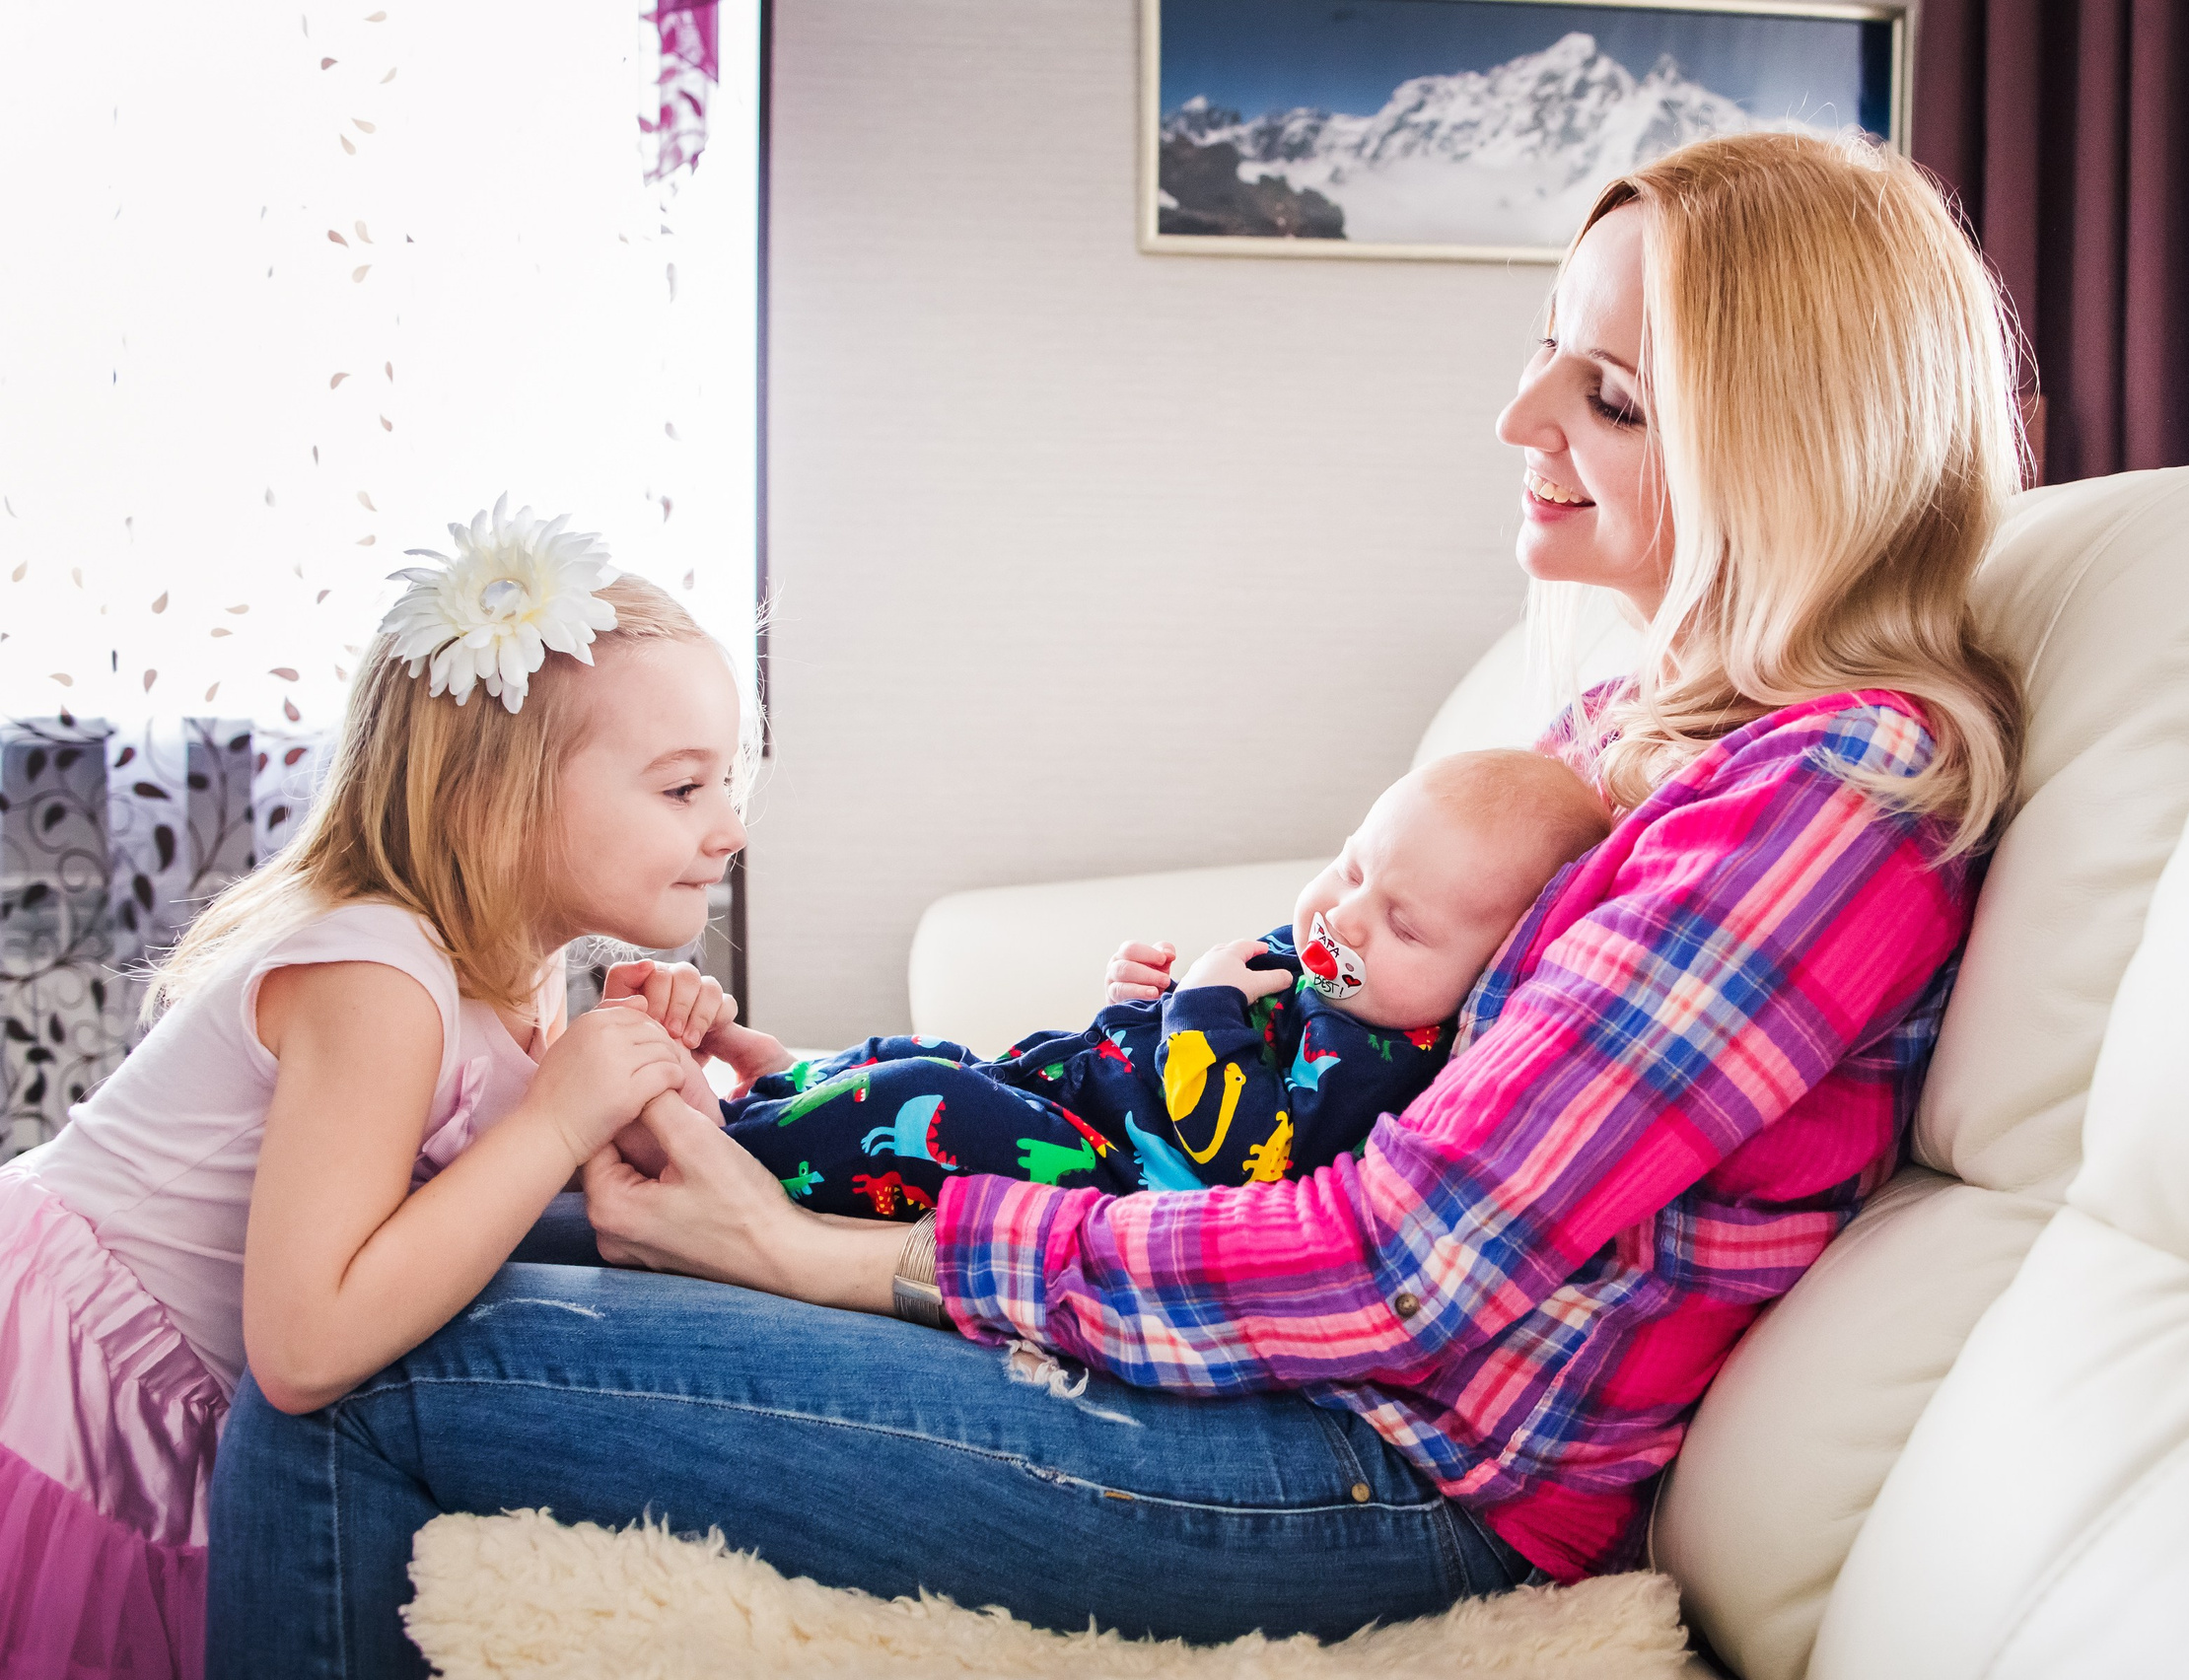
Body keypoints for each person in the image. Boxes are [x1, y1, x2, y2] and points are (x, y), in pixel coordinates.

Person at [206, 130, 2026, 1673]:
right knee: (470, 1231)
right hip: (1279, 1386)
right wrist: (863, 1098)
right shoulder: (1628, 725)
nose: (1516, 412)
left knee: (352, 1385)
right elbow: (1323, 1085)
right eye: (1549, 346)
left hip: (1370, 1465)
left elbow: (1400, 1265)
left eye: (1608, 393)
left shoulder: (1826, 798)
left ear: (1784, 446)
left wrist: (833, 1253)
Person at [0, 504, 753, 1680]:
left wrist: (640, 1090)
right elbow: (304, 1349)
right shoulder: (378, 972)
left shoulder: (526, 968)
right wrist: (559, 1112)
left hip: (178, 1394)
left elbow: (457, 1217)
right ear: (495, 794)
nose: (729, 830)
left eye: (727, 783)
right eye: (681, 790)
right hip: (61, 1387)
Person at [720, 749, 1612, 1217]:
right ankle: (774, 1083)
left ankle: (726, 1157)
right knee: (927, 1056)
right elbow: (1187, 1047)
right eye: (1348, 869)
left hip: (1113, 1177)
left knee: (920, 1101)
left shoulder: (1377, 1063)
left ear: (1483, 975)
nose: (1347, 918)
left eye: (1405, 924)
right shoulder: (1336, 969)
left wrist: (1199, 1010)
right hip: (1078, 1090)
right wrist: (1143, 1003)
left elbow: (1247, 1156)